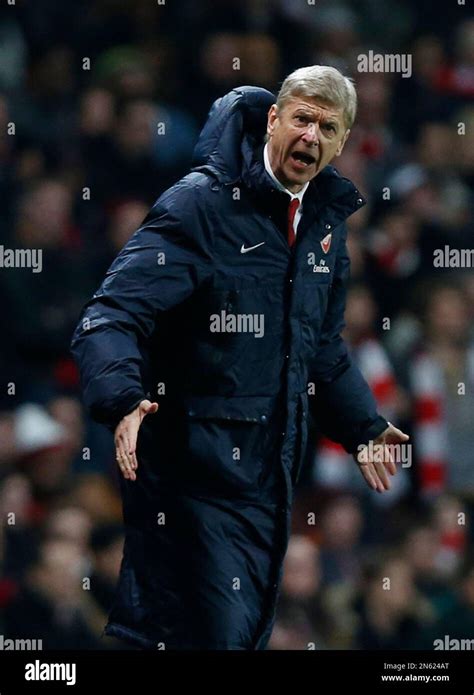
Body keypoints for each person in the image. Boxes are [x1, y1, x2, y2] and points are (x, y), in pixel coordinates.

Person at [71, 65, 409, 650]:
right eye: (301, 118)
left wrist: (363, 426)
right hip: (188, 472)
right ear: (273, 119)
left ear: (343, 142)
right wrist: (122, 398)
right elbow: (111, 315)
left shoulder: (326, 225)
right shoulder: (201, 204)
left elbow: (320, 349)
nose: (311, 136)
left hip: (266, 479)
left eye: (327, 127)